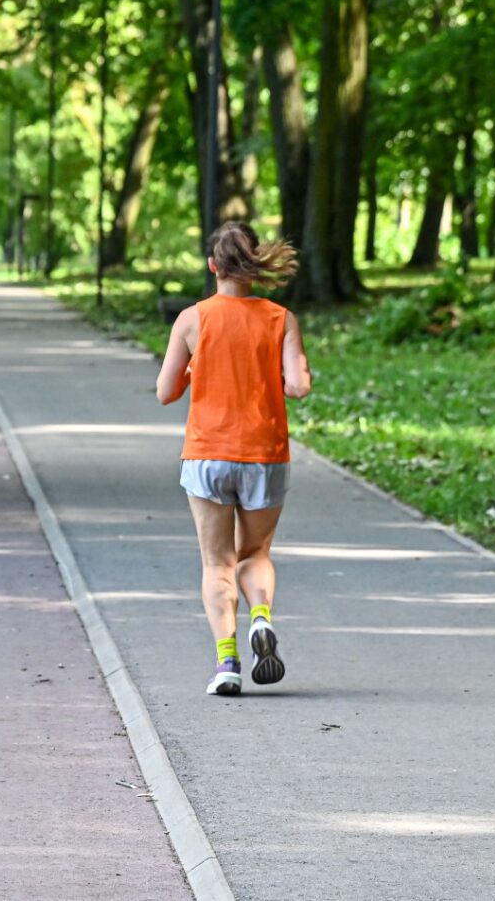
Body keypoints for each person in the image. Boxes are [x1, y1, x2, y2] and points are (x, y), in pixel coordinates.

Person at [155, 222, 311, 696]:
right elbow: (298, 387)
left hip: (207, 454)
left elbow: (165, 392)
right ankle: (261, 616)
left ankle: (227, 662)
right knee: (255, 554)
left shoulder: (192, 319)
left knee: (216, 563)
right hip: (265, 453)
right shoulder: (280, 318)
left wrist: (193, 366)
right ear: (255, 267)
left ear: (213, 266)